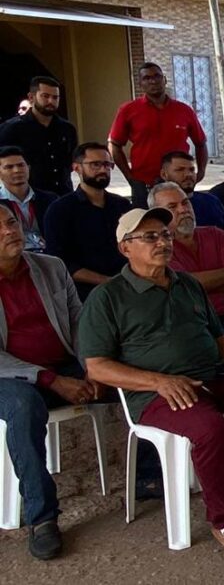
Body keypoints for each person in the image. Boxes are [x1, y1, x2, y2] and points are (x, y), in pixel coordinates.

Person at [80, 207, 224, 555]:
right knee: (211, 429)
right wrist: (158, 381)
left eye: (164, 235)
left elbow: (217, 335)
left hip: (213, 375)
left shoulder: (187, 284)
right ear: (125, 247)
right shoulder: (107, 297)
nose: (162, 242)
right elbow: (97, 367)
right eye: (149, 237)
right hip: (154, 393)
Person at [0, 206, 92, 560]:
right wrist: (51, 380)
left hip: (62, 365)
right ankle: (42, 517)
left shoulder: (50, 267)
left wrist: (91, 368)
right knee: (24, 406)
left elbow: (80, 323)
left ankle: (148, 475)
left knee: (128, 374)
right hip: (9, 378)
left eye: (11, 222)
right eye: (0, 228)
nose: (9, 231)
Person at [151, 183, 224, 357]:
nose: (183, 210)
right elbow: (183, 287)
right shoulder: (160, 247)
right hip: (197, 327)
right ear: (158, 216)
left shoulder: (215, 234)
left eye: (186, 203)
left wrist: (201, 283)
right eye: (172, 207)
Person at [108, 63, 207, 207]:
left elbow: (201, 143)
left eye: (157, 76)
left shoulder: (184, 110)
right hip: (144, 184)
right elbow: (114, 145)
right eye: (147, 78)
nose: (153, 81)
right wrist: (130, 177)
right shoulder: (128, 110)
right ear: (140, 83)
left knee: (181, 222)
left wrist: (201, 171)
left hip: (178, 184)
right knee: (147, 226)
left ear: (164, 80)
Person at [43, 144, 133, 300]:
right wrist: (107, 282)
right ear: (76, 168)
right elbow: (59, 261)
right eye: (95, 164)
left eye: (107, 164)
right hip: (85, 293)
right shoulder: (60, 210)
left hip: (129, 285)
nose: (103, 170)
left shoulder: (122, 205)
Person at [0, 77, 77, 195]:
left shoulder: (67, 129)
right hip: (29, 198)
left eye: (55, 97)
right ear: (31, 97)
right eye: (45, 96)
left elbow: (70, 162)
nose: (51, 101)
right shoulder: (11, 129)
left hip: (63, 195)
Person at [159, 151, 224, 234]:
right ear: (164, 174)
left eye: (192, 170)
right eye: (180, 170)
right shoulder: (156, 206)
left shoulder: (211, 201)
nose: (188, 174)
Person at [0, 146, 57, 251]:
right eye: (9, 167)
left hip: (50, 255)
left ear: (28, 168)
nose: (17, 170)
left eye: (21, 165)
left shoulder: (50, 199)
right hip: (14, 257)